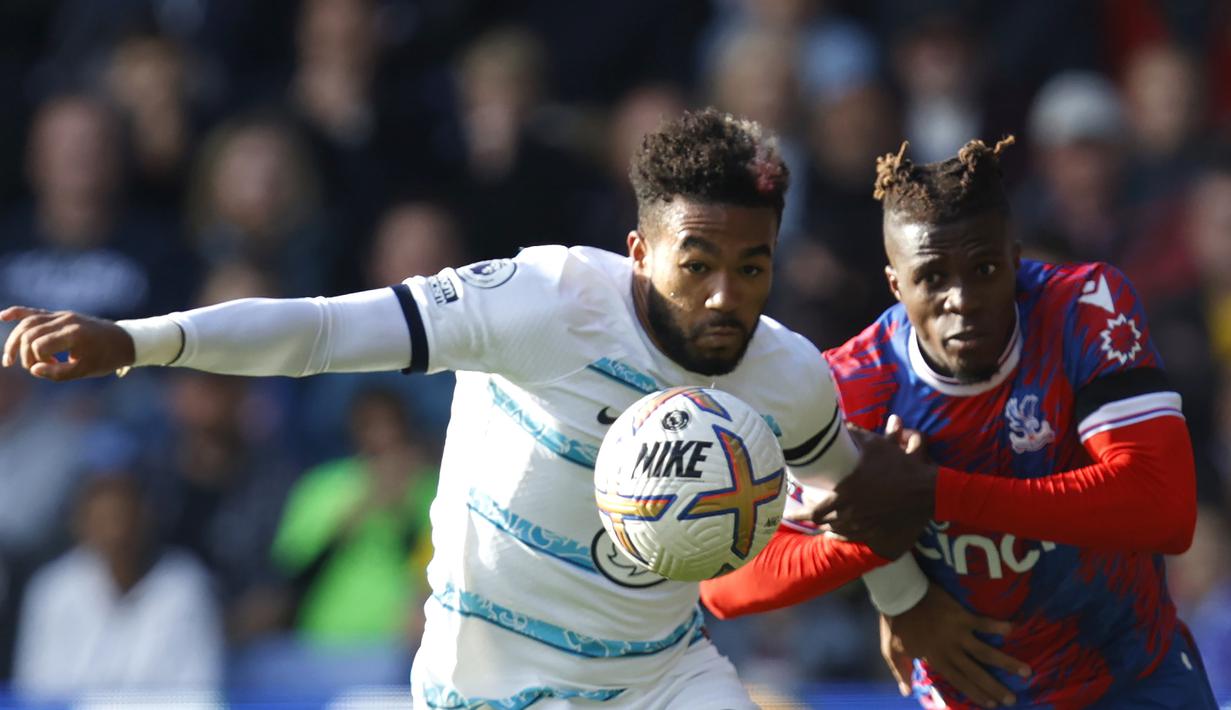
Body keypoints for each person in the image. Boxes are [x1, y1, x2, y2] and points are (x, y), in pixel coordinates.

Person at [2, 109, 939, 707]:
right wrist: (137, 340)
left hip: (661, 682)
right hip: (480, 689)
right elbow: (323, 332)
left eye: (752, 267)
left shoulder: (786, 374)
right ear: (639, 250)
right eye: (697, 264)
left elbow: (852, 492)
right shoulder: (542, 302)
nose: (726, 296)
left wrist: (905, 609)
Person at [700, 137, 1219, 709]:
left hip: (1136, 681)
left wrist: (934, 494)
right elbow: (727, 585)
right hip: (978, 697)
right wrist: (872, 543)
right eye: (932, 278)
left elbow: (1162, 509)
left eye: (985, 268)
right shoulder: (851, 384)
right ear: (896, 284)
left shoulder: (1087, 309)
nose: (962, 298)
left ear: (1017, 257)